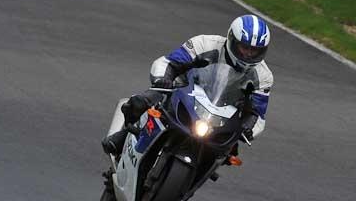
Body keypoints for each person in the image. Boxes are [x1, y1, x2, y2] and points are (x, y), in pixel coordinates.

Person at [102, 14, 273, 157]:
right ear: (231, 39)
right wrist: (163, 79)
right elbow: (169, 62)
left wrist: (249, 129)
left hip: (223, 113)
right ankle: (123, 136)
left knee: (228, 151)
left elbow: (258, 113)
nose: (249, 54)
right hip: (186, 91)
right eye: (244, 47)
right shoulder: (205, 44)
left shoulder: (263, 76)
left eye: (254, 50)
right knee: (149, 99)